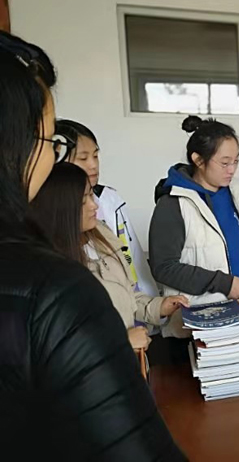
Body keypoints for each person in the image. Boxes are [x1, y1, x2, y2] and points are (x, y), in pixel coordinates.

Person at [0, 31, 185, 459]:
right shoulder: (53, 288)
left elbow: (130, 287)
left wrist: (157, 308)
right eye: (53, 144)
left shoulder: (98, 234)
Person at [30, 163, 190, 351]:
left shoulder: (102, 234)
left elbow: (128, 294)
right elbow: (61, 345)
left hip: (127, 359)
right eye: (83, 201)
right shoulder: (48, 266)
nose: (94, 205)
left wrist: (159, 307)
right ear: (59, 207)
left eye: (91, 195)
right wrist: (122, 342)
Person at [149, 116, 239, 338]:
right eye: (224, 163)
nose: (232, 170)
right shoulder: (174, 203)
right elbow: (164, 267)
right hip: (195, 323)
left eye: (236, 161)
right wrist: (223, 283)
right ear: (198, 160)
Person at [56, 118, 159, 297]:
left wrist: (152, 301)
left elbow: (133, 256)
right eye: (83, 158)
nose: (93, 165)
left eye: (95, 156)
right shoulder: (53, 213)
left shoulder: (110, 200)